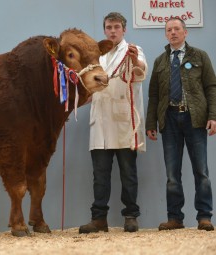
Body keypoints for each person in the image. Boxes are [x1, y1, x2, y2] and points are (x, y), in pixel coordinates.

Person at [79, 12, 148, 234]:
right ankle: (99, 219)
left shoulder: (133, 50)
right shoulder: (96, 56)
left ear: (124, 30)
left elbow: (141, 70)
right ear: (104, 30)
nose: (112, 31)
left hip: (123, 122)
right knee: (100, 176)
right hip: (100, 122)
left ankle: (130, 216)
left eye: (116, 27)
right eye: (109, 27)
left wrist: (135, 59)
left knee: (128, 173)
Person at [146, 17, 216, 231]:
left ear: (185, 33)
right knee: (172, 174)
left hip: (194, 119)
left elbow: (211, 87)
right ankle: (175, 218)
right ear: (166, 34)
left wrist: (213, 116)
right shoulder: (160, 61)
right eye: (169, 30)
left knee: (201, 171)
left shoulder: (200, 56)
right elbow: (154, 95)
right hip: (169, 120)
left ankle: (204, 217)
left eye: (177, 29)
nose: (173, 33)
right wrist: (151, 122)